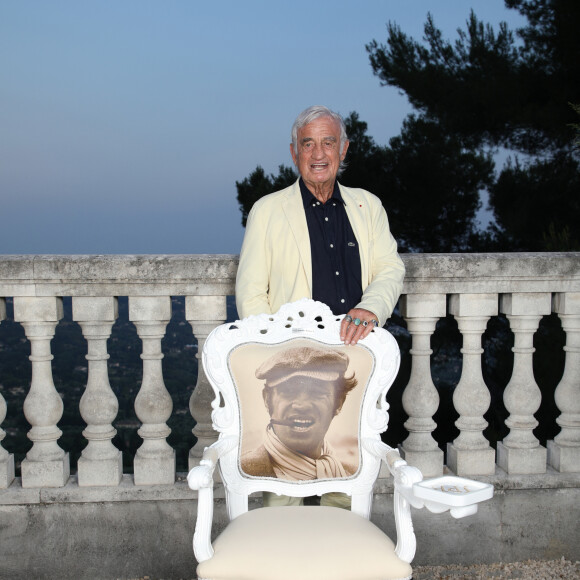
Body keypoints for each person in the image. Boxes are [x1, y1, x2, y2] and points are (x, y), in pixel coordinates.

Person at [235, 105, 405, 506]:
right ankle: (283, 562)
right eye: (308, 143)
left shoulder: (368, 206)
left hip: (351, 364)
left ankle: (338, 558)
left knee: (345, 479)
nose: (318, 153)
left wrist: (372, 309)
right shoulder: (268, 210)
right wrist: (279, 356)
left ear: (343, 149)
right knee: (283, 489)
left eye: (328, 142)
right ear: (294, 153)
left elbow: (389, 269)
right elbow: (251, 293)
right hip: (294, 371)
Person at [241, 346, 358, 481]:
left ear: (338, 403)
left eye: (317, 392)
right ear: (267, 400)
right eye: (288, 391)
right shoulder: (243, 472)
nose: (302, 405)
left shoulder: (352, 475)